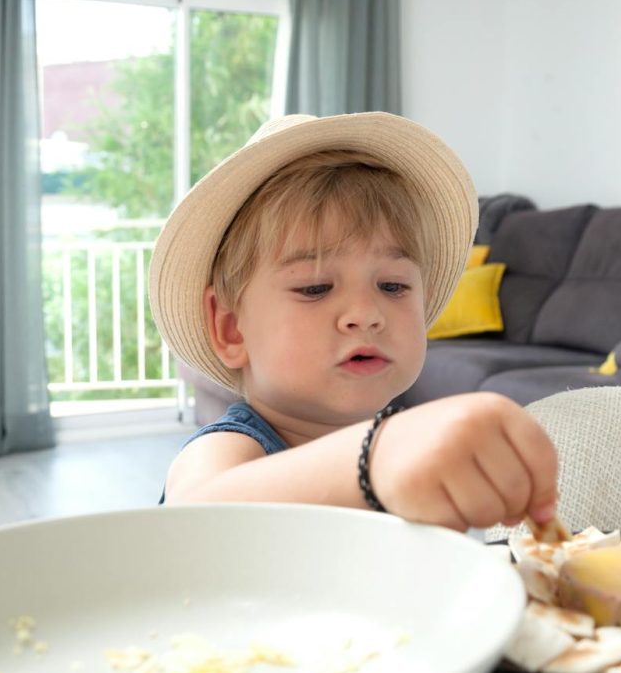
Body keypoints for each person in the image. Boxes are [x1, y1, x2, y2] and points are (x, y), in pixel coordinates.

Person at [148, 112, 559, 533]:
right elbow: (195, 514)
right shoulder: (230, 448)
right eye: (315, 288)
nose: (365, 314)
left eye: (393, 286)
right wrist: (375, 459)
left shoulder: (404, 463)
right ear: (232, 329)